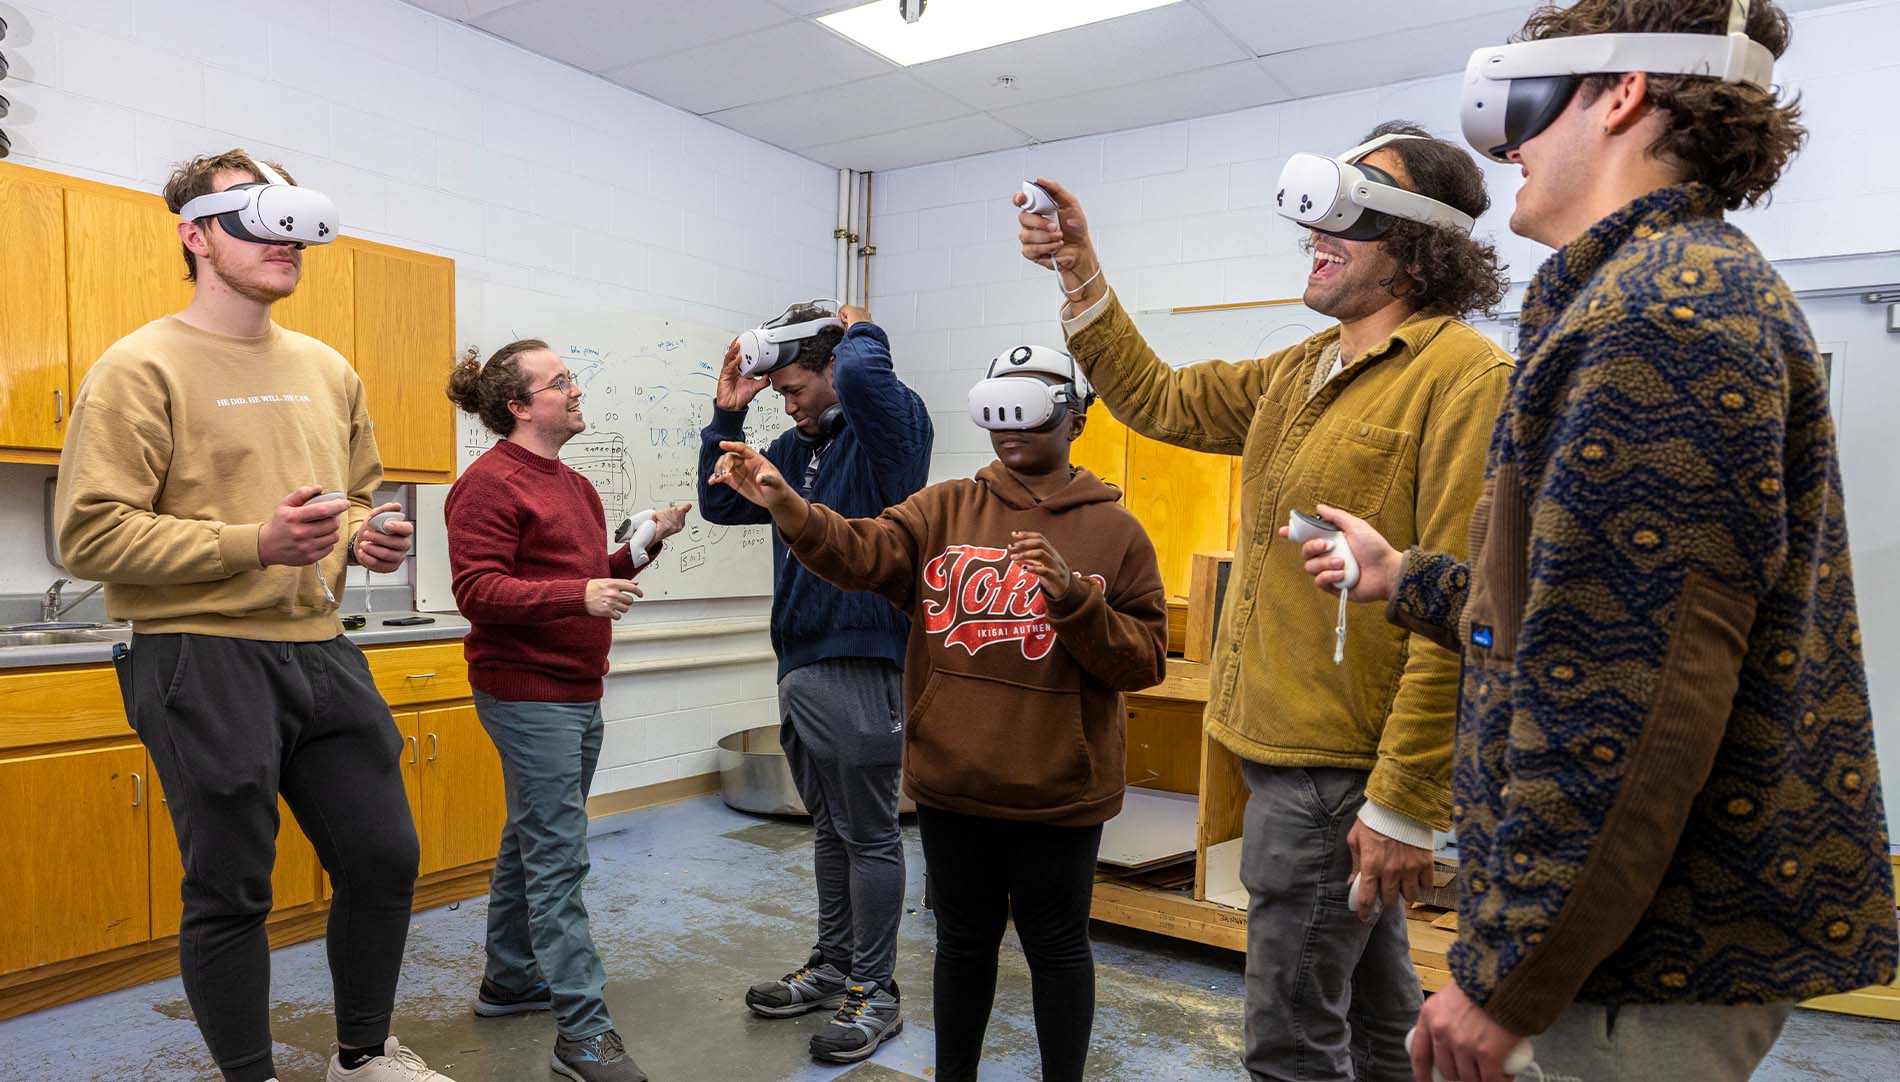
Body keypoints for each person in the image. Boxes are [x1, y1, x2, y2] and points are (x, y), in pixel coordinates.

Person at [1292, 3, 1898, 1079]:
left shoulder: (1657, 315)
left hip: (1641, 963)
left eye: (1527, 105)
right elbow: (1572, 604)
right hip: (1624, 941)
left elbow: (1629, 702)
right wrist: (1409, 578)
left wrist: (1507, 973)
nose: (1509, 143)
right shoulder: (1647, 291)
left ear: (1621, 94)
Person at [1016, 124, 1514, 1080]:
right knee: (1380, 1017)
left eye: (1356, 209)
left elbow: (1464, 613)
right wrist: (1080, 274)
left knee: (1288, 1039)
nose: (1319, 232)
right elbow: (1157, 397)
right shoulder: (1300, 369)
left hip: (1341, 771)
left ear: (1421, 245)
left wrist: (1405, 804)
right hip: (1279, 747)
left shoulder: (1464, 380)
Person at [54, 149, 453, 1082]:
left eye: (287, 214)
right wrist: (253, 544)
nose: (281, 236)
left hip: (321, 650)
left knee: (385, 857)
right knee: (232, 891)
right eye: (249, 213)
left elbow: (357, 497)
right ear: (194, 236)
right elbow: (89, 536)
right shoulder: (138, 366)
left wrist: (366, 537)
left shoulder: (327, 366)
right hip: (201, 656)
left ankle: (362, 1056)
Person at [708, 344, 1168, 1082]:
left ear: (1077, 416)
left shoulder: (1117, 533)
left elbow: (1141, 662)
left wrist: (1074, 601)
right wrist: (788, 504)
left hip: (1059, 792)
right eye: (999, 404)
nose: (1010, 421)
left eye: (1034, 403)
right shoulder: (945, 507)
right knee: (961, 945)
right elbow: (862, 553)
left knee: (1056, 949)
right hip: (956, 782)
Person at [444, 340, 691, 1082]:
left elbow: (591, 577)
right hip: (526, 692)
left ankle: (510, 980)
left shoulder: (576, 487)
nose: (576, 390)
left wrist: (646, 544)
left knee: (533, 838)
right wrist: (576, 595)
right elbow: (477, 591)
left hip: (577, 688)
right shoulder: (488, 484)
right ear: (520, 406)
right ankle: (582, 1035)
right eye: (561, 382)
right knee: (558, 856)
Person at [695, 302, 933, 1062]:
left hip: (864, 660)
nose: (786, 402)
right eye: (778, 392)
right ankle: (834, 968)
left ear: (834, 370)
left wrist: (860, 327)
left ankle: (877, 990)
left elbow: (864, 373)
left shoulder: (888, 437)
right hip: (799, 661)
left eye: (795, 386)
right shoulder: (793, 448)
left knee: (868, 834)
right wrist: (724, 415)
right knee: (831, 830)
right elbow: (717, 500)